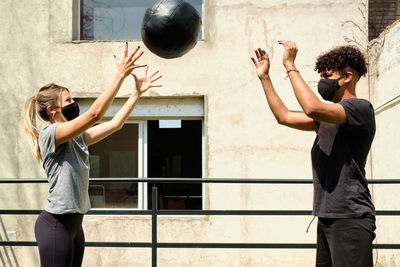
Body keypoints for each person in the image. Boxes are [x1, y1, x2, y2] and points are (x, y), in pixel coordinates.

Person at [24, 42, 162, 267]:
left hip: (75, 225)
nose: (74, 103)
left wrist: (136, 93)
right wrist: (119, 74)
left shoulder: (77, 137)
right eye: (68, 100)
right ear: (52, 110)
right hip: (56, 225)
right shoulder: (51, 134)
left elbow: (115, 124)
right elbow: (95, 114)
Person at [251, 41, 376, 267]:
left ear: (347, 77)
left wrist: (290, 66)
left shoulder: (360, 109)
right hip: (327, 216)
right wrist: (265, 78)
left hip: (351, 217)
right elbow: (285, 116)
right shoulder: (325, 120)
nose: (322, 81)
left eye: (327, 75)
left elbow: (312, 107)